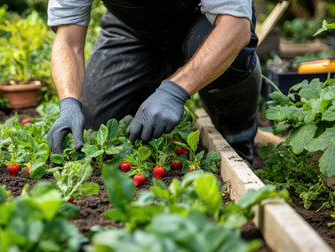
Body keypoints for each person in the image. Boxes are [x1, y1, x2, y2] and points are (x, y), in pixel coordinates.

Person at [46, 0, 261, 164]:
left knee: (234, 57)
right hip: (134, 29)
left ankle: (237, 138)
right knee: (95, 120)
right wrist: (68, 103)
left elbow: (234, 27)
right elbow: (68, 40)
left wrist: (175, 92)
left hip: (204, 21)